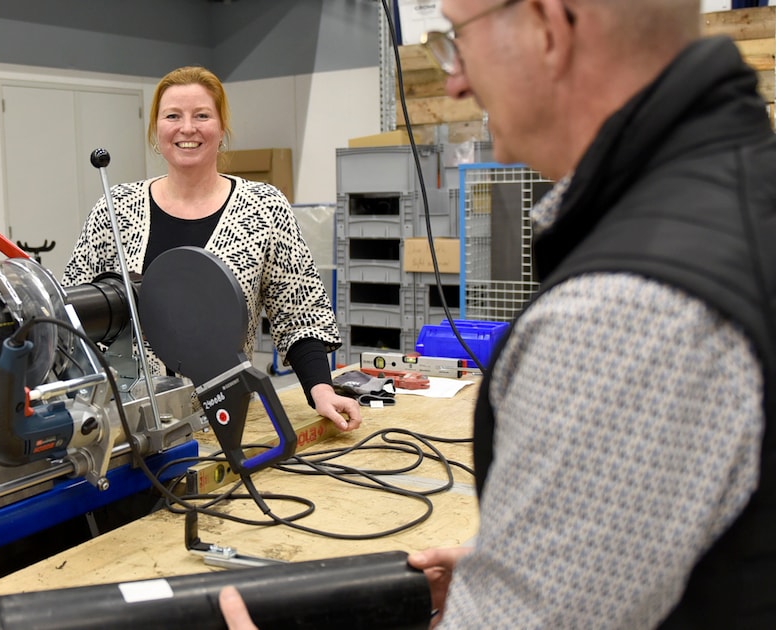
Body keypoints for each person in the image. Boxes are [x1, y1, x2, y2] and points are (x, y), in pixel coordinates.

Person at [222, 0, 774, 627]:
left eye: (460, 40)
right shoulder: (738, 194)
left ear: (549, 28)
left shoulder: (624, 307)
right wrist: (521, 569)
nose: (456, 81)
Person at [62, 66, 362, 433]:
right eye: (173, 116)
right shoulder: (115, 208)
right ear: (157, 129)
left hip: (227, 420)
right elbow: (71, 316)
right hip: (128, 425)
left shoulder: (264, 207)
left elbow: (299, 312)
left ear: (221, 129)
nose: (187, 128)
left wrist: (320, 389)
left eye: (201, 115)